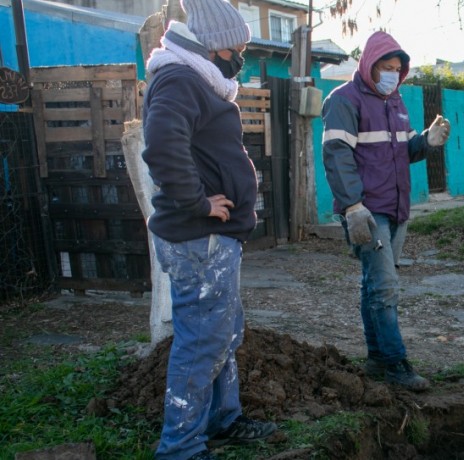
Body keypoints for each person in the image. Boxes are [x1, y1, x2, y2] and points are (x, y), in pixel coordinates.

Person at [141, 1, 277, 458]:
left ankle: (223, 418)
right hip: (199, 238)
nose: (241, 55)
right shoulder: (180, 79)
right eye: (237, 46)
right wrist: (197, 202)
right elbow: (161, 145)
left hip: (212, 240)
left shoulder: (197, 77)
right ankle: (180, 447)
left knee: (221, 334)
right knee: (202, 342)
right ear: (214, 45)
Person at [321, 31, 451, 392]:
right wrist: (352, 206)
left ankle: (377, 358)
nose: (393, 74)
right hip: (365, 209)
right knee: (385, 287)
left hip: (395, 208)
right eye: (386, 67)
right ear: (369, 65)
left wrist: (427, 140)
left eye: (398, 68)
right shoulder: (343, 101)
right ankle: (396, 363)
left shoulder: (396, 102)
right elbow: (336, 156)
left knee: (373, 285)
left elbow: (403, 151)